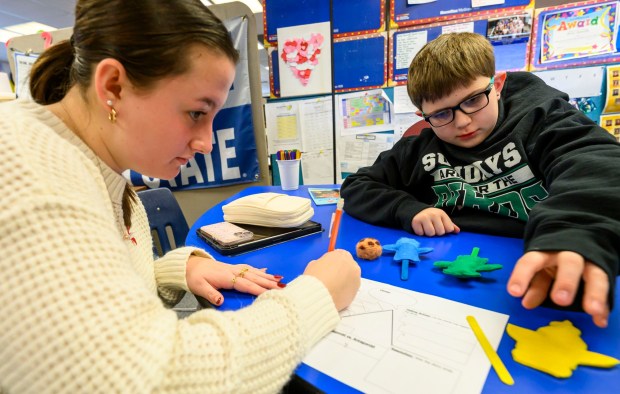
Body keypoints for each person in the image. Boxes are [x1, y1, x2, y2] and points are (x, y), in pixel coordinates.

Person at [0, 1, 361, 392]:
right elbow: (148, 379)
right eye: (195, 113)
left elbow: (74, 294)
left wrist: (172, 271)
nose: (206, 143)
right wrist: (316, 297)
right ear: (113, 87)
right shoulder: (26, 169)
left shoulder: (99, 175)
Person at [340, 32, 620, 329]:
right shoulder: (417, 150)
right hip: (440, 280)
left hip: (538, 260)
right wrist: (408, 208)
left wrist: (572, 232)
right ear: (423, 116)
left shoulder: (544, 119)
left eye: (473, 100)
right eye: (441, 114)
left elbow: (595, 163)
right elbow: (357, 186)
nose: (462, 122)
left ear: (497, 85)